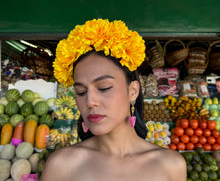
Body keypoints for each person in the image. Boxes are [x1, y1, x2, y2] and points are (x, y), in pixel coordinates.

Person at [41, 19, 187, 181]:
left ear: (133, 91)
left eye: (104, 88)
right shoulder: (61, 165)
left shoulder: (171, 166)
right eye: (81, 92)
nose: (90, 101)